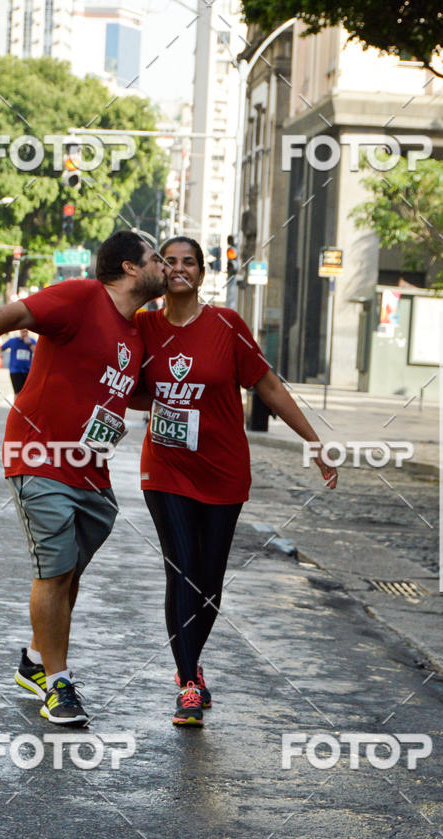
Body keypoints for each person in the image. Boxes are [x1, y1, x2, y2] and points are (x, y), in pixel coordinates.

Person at [0, 231, 166, 726]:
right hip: (38, 455)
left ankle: (34, 660)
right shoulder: (79, 297)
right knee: (54, 567)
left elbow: (127, 393)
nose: (163, 268)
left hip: (91, 469)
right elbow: (12, 316)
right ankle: (58, 686)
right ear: (131, 268)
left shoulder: (136, 330)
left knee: (69, 571)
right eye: (156, 259)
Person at [133, 236, 338, 728]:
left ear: (202, 274)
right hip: (166, 468)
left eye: (189, 263)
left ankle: (193, 664)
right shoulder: (141, 326)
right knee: (181, 570)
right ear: (159, 272)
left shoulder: (227, 325)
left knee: (208, 580)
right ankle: (187, 682)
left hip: (223, 470)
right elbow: (114, 374)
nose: (179, 270)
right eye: (170, 262)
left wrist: (313, 441)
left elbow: (267, 384)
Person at [0, 328, 37, 395]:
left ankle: (25, 405)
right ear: (20, 331)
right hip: (15, 370)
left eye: (26, 331)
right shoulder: (13, 341)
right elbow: (1, 348)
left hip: (28, 371)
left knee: (27, 393)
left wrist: (29, 344)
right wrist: (0, 354)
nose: (24, 333)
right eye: (22, 331)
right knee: (18, 393)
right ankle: (16, 405)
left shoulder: (31, 341)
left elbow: (37, 353)